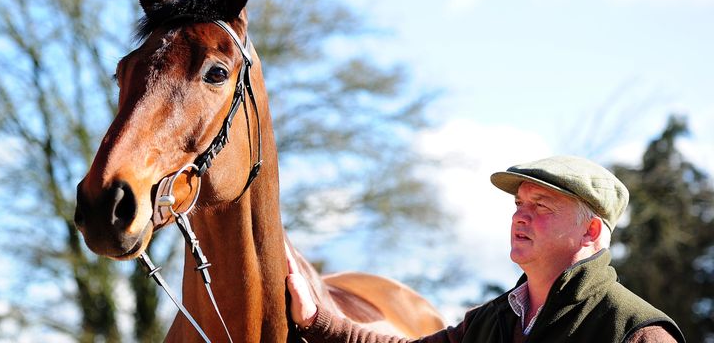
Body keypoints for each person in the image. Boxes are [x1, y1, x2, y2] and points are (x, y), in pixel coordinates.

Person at [285, 155, 686, 342]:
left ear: (591, 230)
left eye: (541, 206)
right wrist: (316, 319)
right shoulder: (490, 322)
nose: (520, 217)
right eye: (519, 205)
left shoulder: (637, 332)